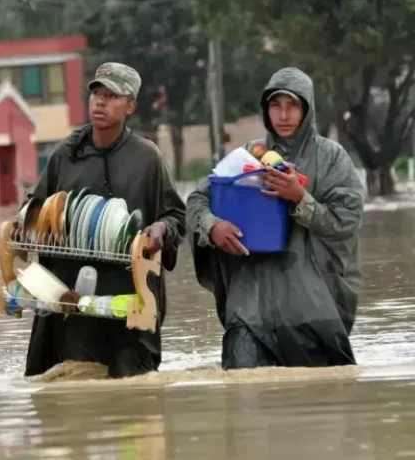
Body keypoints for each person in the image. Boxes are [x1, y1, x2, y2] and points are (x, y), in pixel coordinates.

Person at [186, 67, 365, 369]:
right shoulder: (247, 156)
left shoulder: (331, 158)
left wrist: (300, 198)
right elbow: (197, 199)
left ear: (307, 109)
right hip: (249, 310)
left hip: (310, 312)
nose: (283, 115)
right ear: (265, 109)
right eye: (275, 105)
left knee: (320, 404)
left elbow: (347, 220)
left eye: (293, 105)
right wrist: (212, 226)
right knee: (245, 397)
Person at [21, 62, 187, 379]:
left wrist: (161, 229)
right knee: (77, 381)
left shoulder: (147, 158)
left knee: (133, 387)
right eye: (97, 93)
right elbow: (33, 213)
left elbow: (176, 216)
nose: (100, 101)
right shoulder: (66, 155)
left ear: (130, 106)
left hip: (131, 296)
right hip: (75, 302)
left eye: (112, 96)